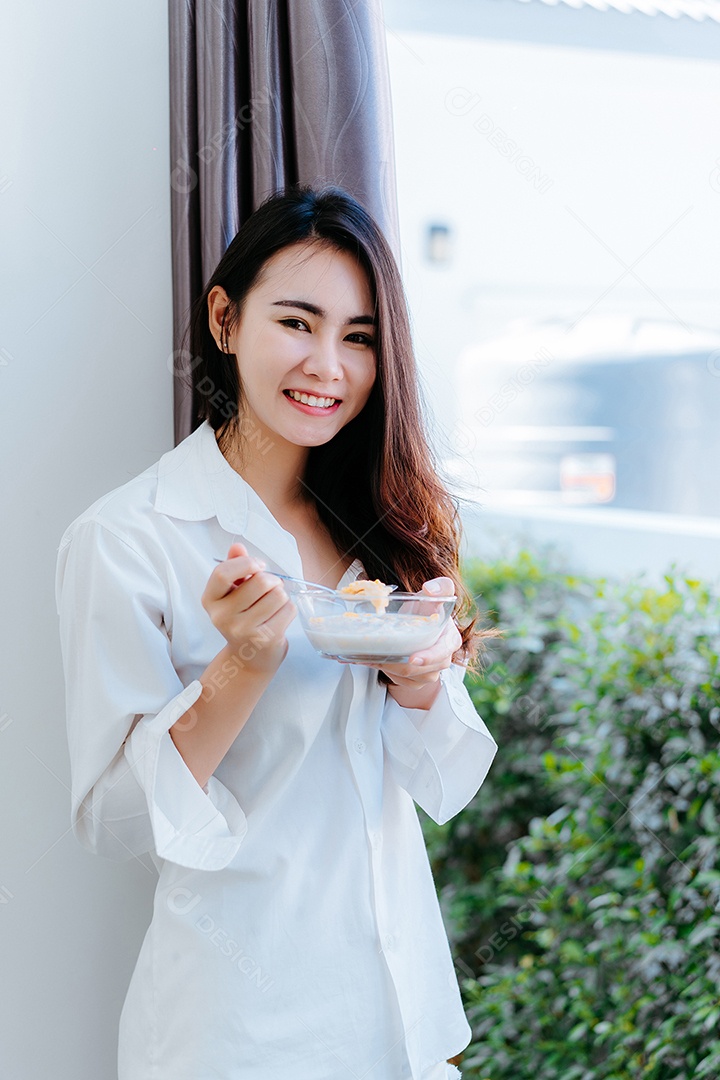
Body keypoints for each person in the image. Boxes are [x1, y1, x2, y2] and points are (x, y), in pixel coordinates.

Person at [55, 184, 498, 1080]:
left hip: (400, 1010)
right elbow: (110, 820)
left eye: (360, 337)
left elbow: (442, 781)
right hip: (240, 1030)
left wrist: (419, 681)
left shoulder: (381, 520)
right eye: (297, 322)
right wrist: (242, 667)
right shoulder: (129, 536)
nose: (328, 366)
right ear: (225, 319)